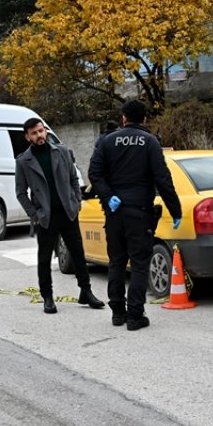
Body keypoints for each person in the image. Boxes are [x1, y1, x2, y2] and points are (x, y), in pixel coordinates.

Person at [87, 100, 182, 331]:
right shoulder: (150, 142)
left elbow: (94, 173)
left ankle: (118, 312)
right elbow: (163, 178)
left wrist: (109, 196)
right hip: (139, 212)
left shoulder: (107, 141)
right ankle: (135, 315)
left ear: (123, 118)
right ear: (145, 119)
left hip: (114, 212)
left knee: (117, 262)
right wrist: (175, 209)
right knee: (139, 263)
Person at [15, 118, 105, 314]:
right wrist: (35, 215)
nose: (39, 135)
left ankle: (86, 291)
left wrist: (76, 203)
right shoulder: (23, 161)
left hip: (68, 212)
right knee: (44, 257)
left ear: (45, 131)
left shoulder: (62, 152)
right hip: (45, 216)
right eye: (34, 133)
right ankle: (47, 296)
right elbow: (21, 193)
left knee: (78, 254)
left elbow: (74, 178)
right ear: (27, 137)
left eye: (40, 131)